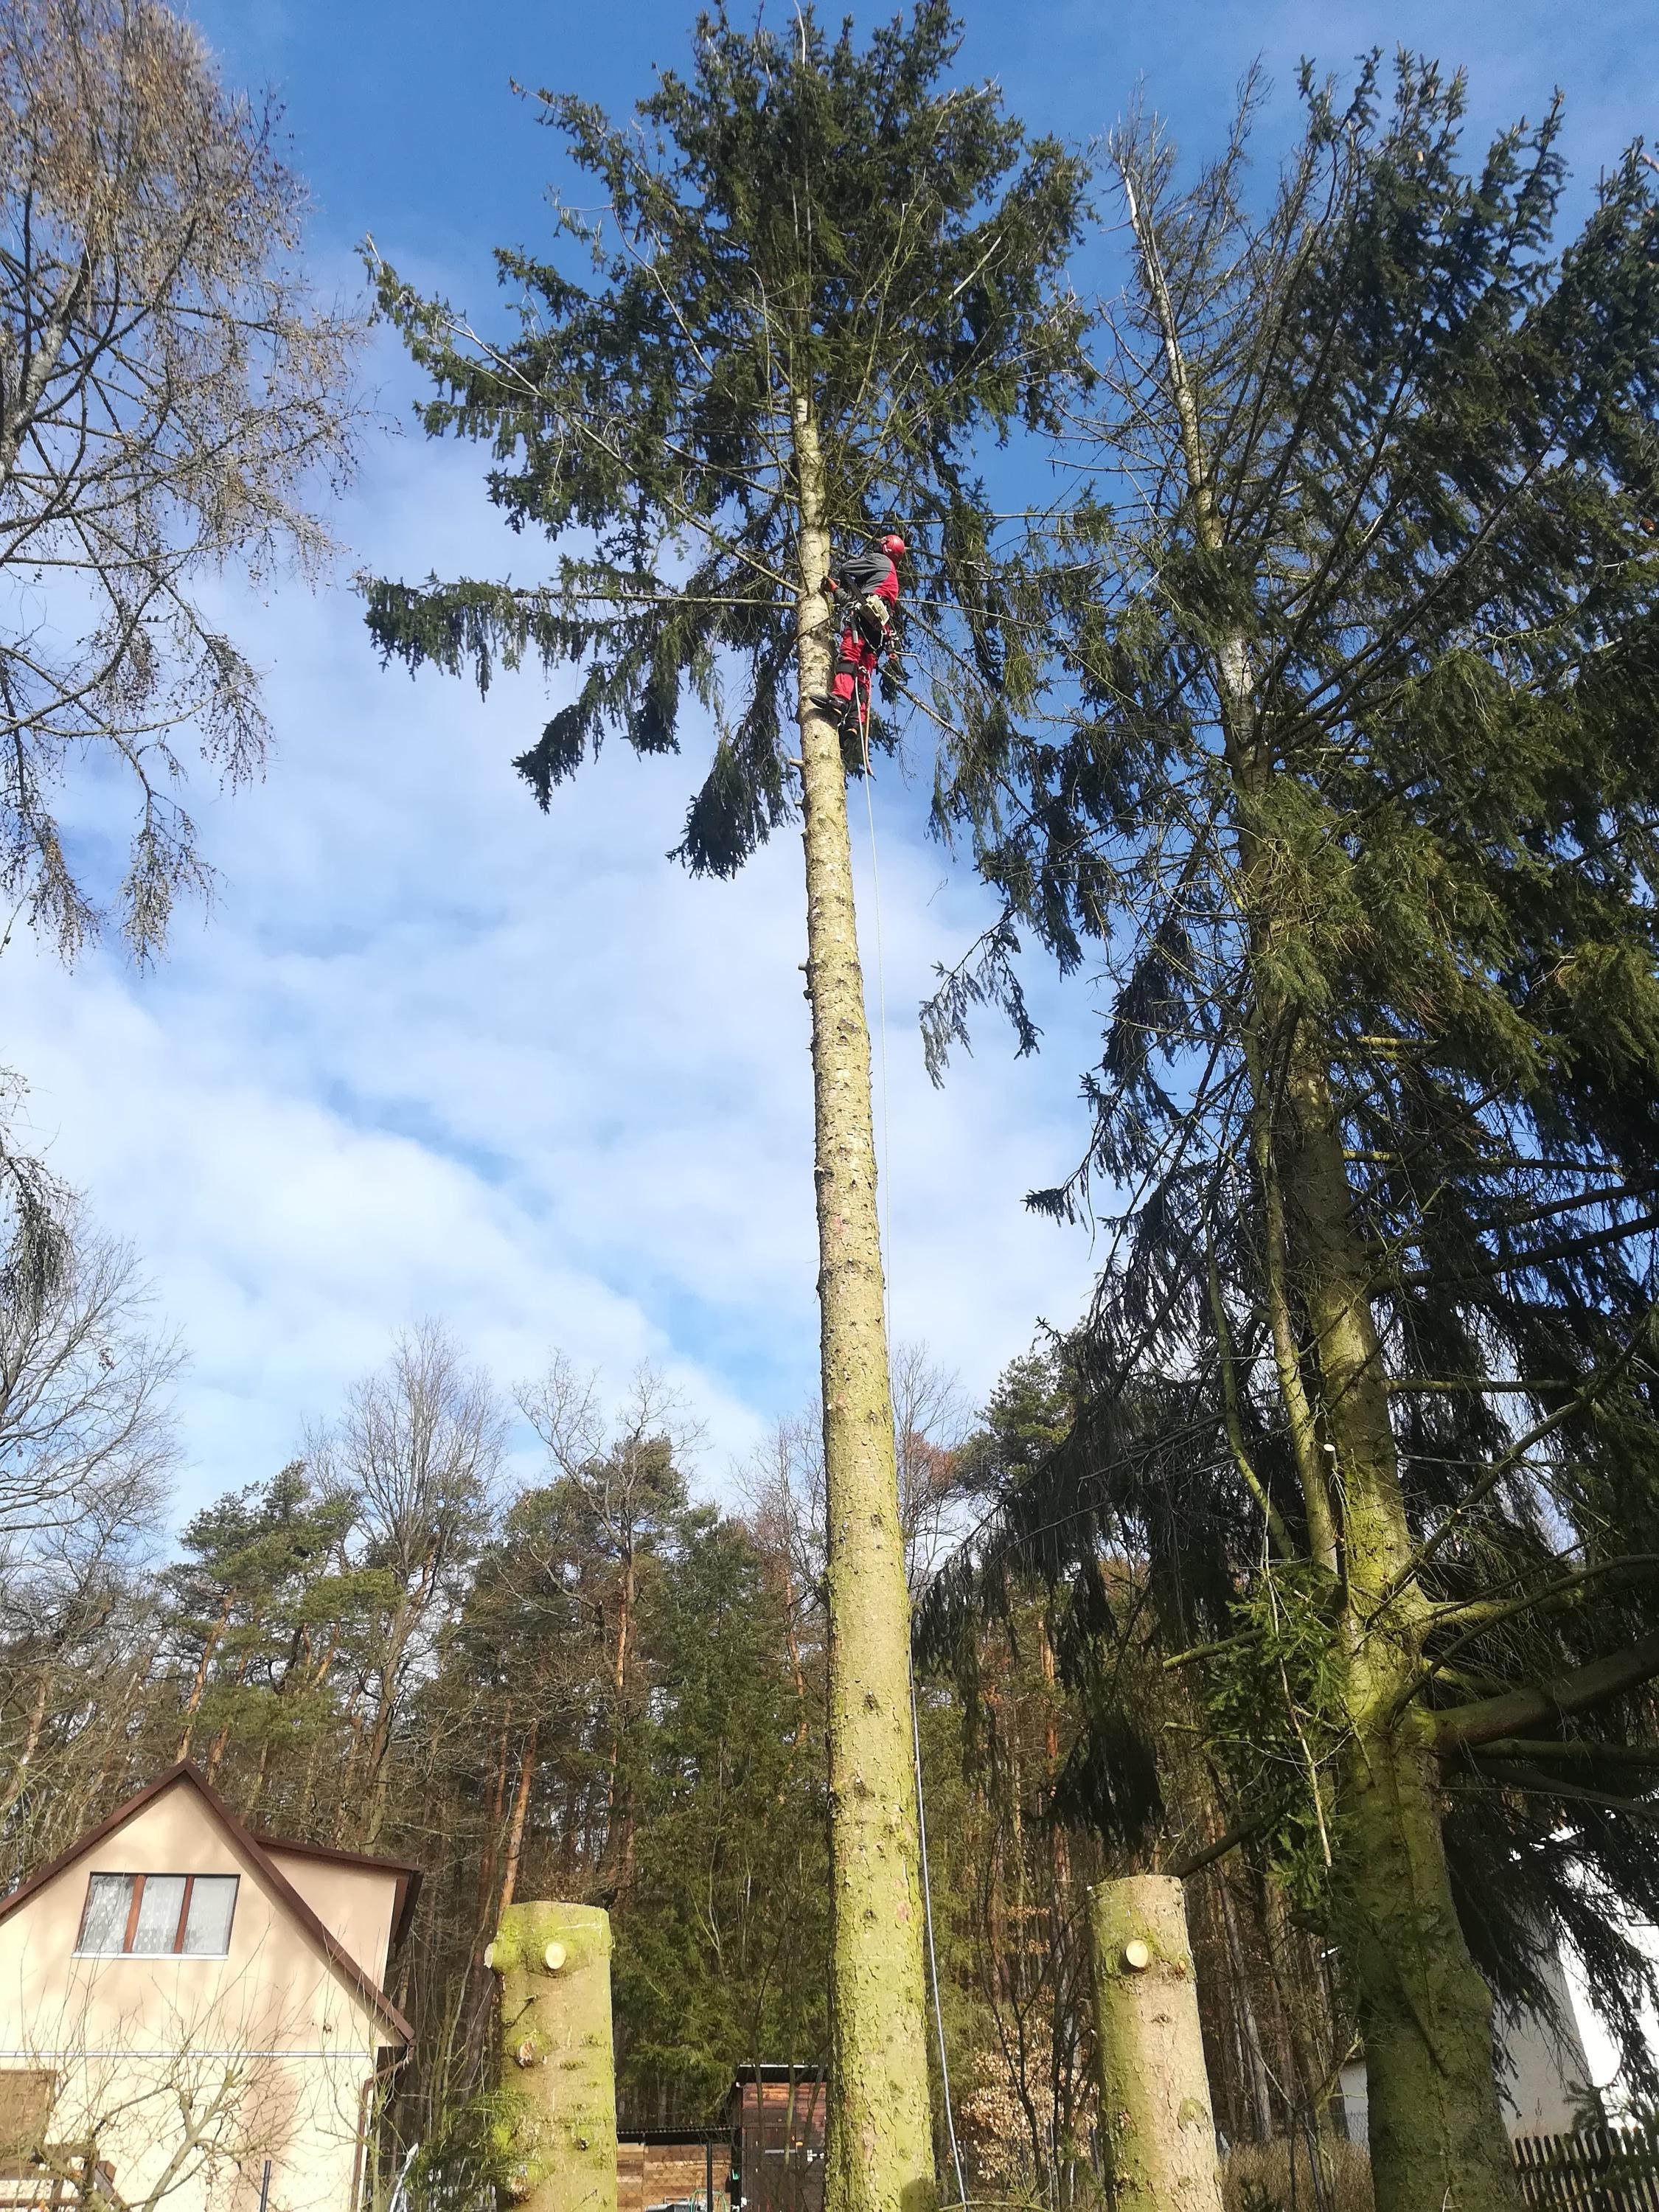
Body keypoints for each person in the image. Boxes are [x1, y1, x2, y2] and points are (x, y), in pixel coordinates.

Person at [810, 532, 906, 731]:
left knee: (849, 657)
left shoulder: (880, 560)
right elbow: (858, 603)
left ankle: (840, 699)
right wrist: (837, 590)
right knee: (863, 674)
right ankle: (855, 722)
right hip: (878, 631)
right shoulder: (890, 581)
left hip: (864, 621)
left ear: (885, 547)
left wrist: (840, 584)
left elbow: (847, 568)